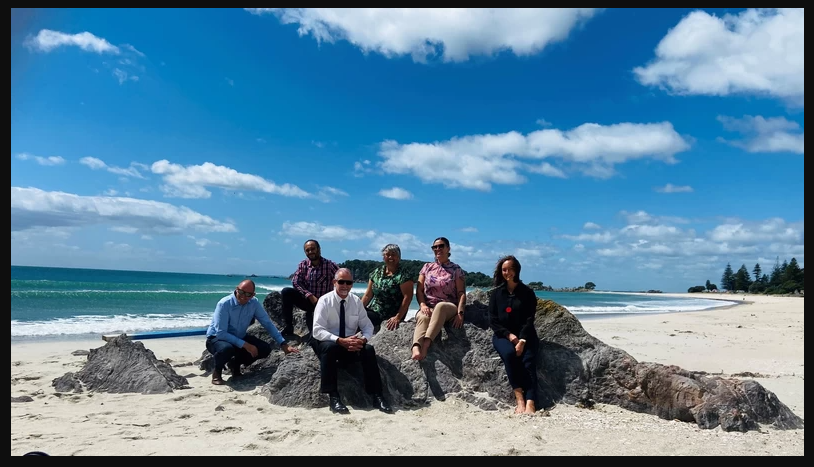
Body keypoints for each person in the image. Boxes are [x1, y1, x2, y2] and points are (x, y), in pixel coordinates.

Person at [312, 268, 393, 414]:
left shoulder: (356, 301)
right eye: (341, 282)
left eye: (348, 282)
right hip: (328, 341)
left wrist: (363, 340)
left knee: (368, 350)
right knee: (329, 348)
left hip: (349, 343)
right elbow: (317, 330)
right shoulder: (324, 301)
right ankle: (333, 397)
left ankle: (377, 396)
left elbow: (367, 326)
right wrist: (339, 340)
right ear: (334, 282)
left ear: (352, 284)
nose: (345, 285)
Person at [206, 279, 299, 385]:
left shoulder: (253, 303)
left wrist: (283, 344)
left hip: (239, 337)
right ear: (237, 289)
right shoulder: (224, 304)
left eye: (248, 294)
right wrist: (245, 345)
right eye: (241, 292)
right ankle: (217, 372)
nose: (243, 296)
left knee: (265, 349)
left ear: (253, 294)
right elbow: (221, 333)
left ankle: (235, 364)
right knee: (227, 349)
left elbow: (267, 323)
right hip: (216, 339)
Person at [488, 255, 539, 414]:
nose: (507, 272)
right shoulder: (496, 294)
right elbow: (493, 321)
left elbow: (529, 319)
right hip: (503, 336)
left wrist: (522, 340)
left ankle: (531, 401)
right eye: (504, 269)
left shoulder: (527, 292)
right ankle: (519, 399)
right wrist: (510, 336)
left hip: (526, 335)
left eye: (510, 269)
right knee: (510, 354)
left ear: (517, 270)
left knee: (528, 361)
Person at [412, 237, 466, 361]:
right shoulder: (427, 267)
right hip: (429, 306)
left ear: (448, 248)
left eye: (441, 246)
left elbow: (461, 293)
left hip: (448, 307)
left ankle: (426, 343)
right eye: (434, 247)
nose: (437, 249)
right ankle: (416, 346)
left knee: (440, 306)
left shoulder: (456, 269)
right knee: (423, 316)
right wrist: (422, 305)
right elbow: (419, 290)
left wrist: (460, 313)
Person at [280, 239, 339, 337]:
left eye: (313, 249)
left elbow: (341, 279)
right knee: (286, 292)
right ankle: (289, 327)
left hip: (324, 303)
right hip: (308, 301)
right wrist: (309, 295)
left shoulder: (330, 265)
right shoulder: (303, 265)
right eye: (307, 250)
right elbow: (295, 281)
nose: (310, 252)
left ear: (319, 249)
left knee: (315, 334)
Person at [361, 243, 415, 331]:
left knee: (362, 317)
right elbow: (368, 295)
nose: (390, 257)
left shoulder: (404, 275)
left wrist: (398, 317)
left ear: (399, 257)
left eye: (393, 255)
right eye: (388, 255)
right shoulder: (377, 272)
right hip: (374, 310)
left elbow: (408, 297)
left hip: (391, 314)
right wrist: (358, 308)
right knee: (353, 313)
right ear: (383, 257)